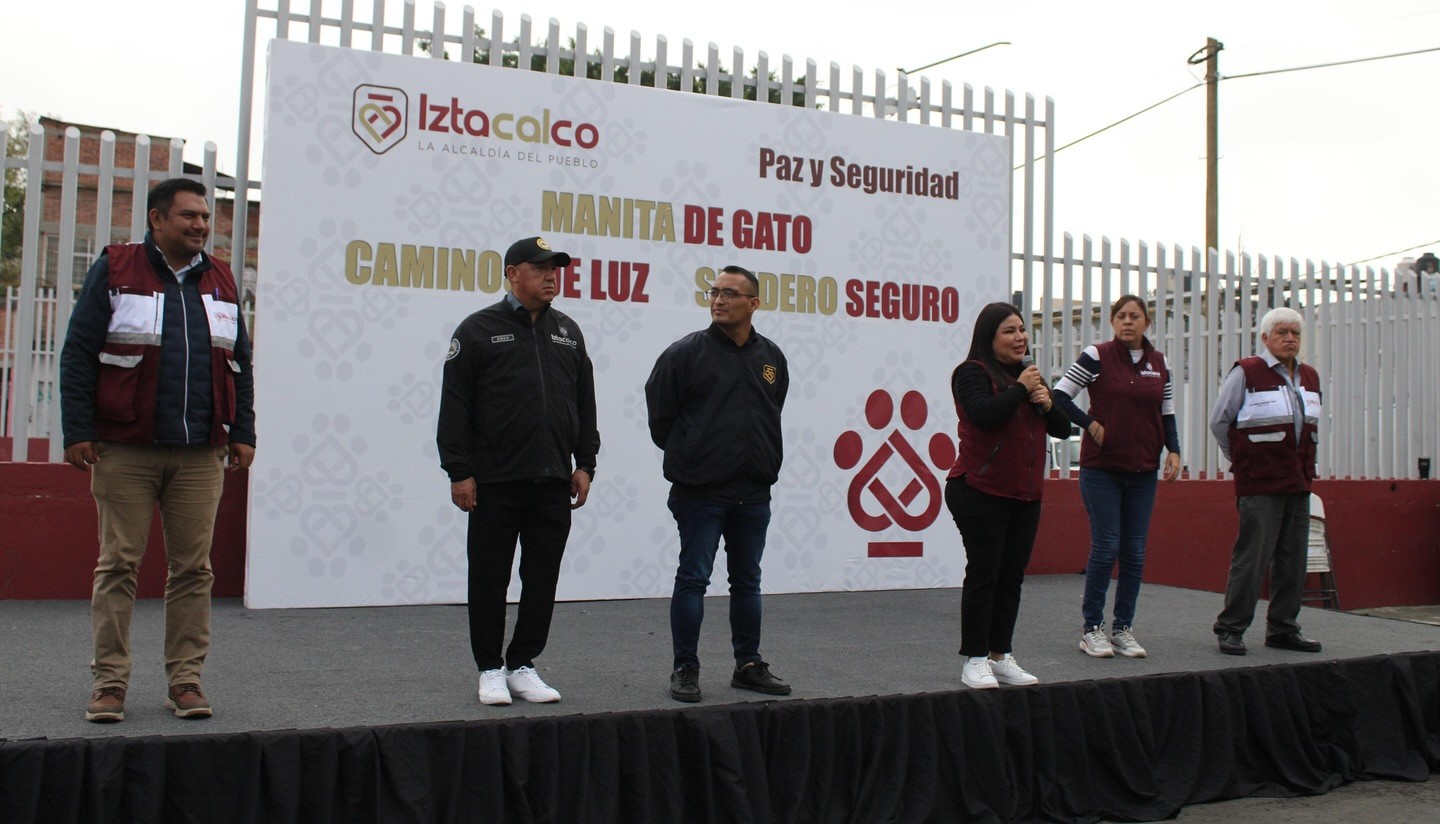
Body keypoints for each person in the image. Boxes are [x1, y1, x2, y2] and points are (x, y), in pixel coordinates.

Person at [60, 178, 256, 723]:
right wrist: (77, 429)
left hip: (200, 453)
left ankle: (186, 681)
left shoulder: (221, 278)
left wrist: (243, 431)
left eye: (205, 217)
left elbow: (239, 362)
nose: (201, 225)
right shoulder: (116, 268)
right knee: (118, 565)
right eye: (189, 216)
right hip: (125, 450)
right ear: (157, 219)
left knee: (193, 570)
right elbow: (78, 353)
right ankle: (110, 684)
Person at [437, 236, 599, 705]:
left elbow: (584, 402)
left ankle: (522, 663)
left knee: (542, 578)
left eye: (555, 269)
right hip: (495, 481)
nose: (551, 276)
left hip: (553, 480)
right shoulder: (477, 329)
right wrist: (458, 471)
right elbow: (455, 405)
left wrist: (586, 462)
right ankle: (489, 668)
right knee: (489, 578)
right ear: (512, 273)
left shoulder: (568, 331)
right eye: (540, 268)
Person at [645, 265, 790, 703]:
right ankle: (685, 668)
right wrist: (695, 454)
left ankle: (748, 665)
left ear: (754, 303)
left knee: (748, 582)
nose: (719, 300)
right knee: (693, 579)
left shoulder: (771, 357)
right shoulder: (684, 354)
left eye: (730, 293)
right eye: (714, 292)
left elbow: (773, 408)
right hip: (701, 491)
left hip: (754, 491)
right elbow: (661, 419)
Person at [945, 301, 1072, 689]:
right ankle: (975, 659)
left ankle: (1000, 655)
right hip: (979, 489)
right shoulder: (972, 372)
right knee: (985, 573)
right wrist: (1021, 389)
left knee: (1011, 577)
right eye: (1010, 331)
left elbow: (1062, 429)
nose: (1020, 338)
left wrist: (1047, 403)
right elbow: (983, 414)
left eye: (1022, 330)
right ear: (990, 336)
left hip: (1025, 494)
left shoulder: (1029, 376)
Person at [1053, 295, 1182, 659]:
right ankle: (1091, 629)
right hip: (1102, 470)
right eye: (1121, 316)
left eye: (1135, 316)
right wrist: (1090, 424)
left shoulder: (1160, 363)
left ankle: (1123, 628)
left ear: (1147, 323)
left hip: (1144, 470)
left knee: (1135, 552)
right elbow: (1060, 396)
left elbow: (1167, 412)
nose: (1127, 321)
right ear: (1112, 321)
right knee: (1107, 546)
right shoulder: (1096, 356)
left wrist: (1173, 450)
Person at [1209, 307, 1323, 656]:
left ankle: (1283, 629)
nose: (1290, 339)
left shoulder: (1310, 376)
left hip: (1298, 481)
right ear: (1265, 338)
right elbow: (1219, 421)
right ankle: (1231, 628)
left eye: (1295, 333)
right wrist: (1242, 460)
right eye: (1282, 332)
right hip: (1259, 482)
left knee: (1293, 561)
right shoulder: (1246, 372)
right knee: (1252, 559)